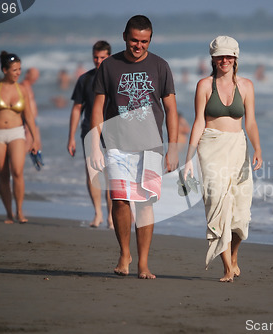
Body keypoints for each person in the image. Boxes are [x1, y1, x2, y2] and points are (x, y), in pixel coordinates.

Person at [89, 15, 179, 279]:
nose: (138, 46)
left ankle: (143, 263)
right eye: (134, 40)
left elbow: (171, 110)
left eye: (144, 42)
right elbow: (97, 109)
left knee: (145, 203)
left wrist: (172, 147)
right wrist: (95, 146)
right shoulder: (109, 66)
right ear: (124, 37)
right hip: (117, 145)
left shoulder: (161, 66)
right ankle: (124, 254)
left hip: (151, 146)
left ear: (150, 40)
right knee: (119, 200)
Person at [183, 36, 262, 282]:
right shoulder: (205, 85)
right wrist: (188, 158)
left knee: (241, 212)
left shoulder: (247, 86)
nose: (224, 60)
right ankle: (227, 267)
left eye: (229, 56)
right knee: (217, 202)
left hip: (239, 148)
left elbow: (250, 122)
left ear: (236, 58)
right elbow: (198, 122)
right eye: (220, 56)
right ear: (213, 58)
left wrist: (258, 148)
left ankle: (234, 256)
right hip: (211, 147)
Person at [0, 51, 39, 224]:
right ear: (4, 70)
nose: (18, 73)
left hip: (17, 133)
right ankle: (9, 213)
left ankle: (20, 211)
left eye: (19, 69)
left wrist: (35, 139)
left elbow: (28, 116)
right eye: (14, 70)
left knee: (17, 171)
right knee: (3, 175)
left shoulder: (23, 90)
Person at [67, 40, 113, 229]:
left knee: (111, 176)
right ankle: (98, 213)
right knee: (93, 175)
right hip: (89, 131)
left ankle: (111, 216)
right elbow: (77, 108)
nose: (98, 61)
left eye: (102, 57)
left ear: (109, 56)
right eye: (95, 57)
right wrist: (71, 137)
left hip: (113, 132)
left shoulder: (115, 78)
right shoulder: (85, 79)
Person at [21, 67, 42, 154]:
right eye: (34, 76)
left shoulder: (29, 86)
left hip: (33, 119)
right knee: (28, 143)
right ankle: (16, 163)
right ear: (27, 75)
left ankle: (36, 166)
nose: (36, 78)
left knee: (37, 144)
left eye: (37, 76)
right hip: (28, 119)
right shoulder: (23, 86)